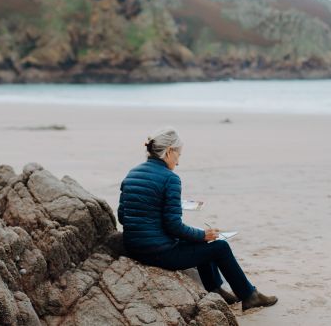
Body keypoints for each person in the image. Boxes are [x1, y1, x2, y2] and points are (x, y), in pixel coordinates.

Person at [117, 127, 277, 311]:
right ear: (169, 151)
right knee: (219, 246)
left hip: (133, 248)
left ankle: (216, 290)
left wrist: (197, 236)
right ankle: (250, 296)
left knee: (201, 243)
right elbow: (173, 226)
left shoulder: (132, 173)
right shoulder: (171, 179)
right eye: (179, 155)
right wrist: (202, 236)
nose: (178, 161)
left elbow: (122, 216)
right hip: (157, 252)